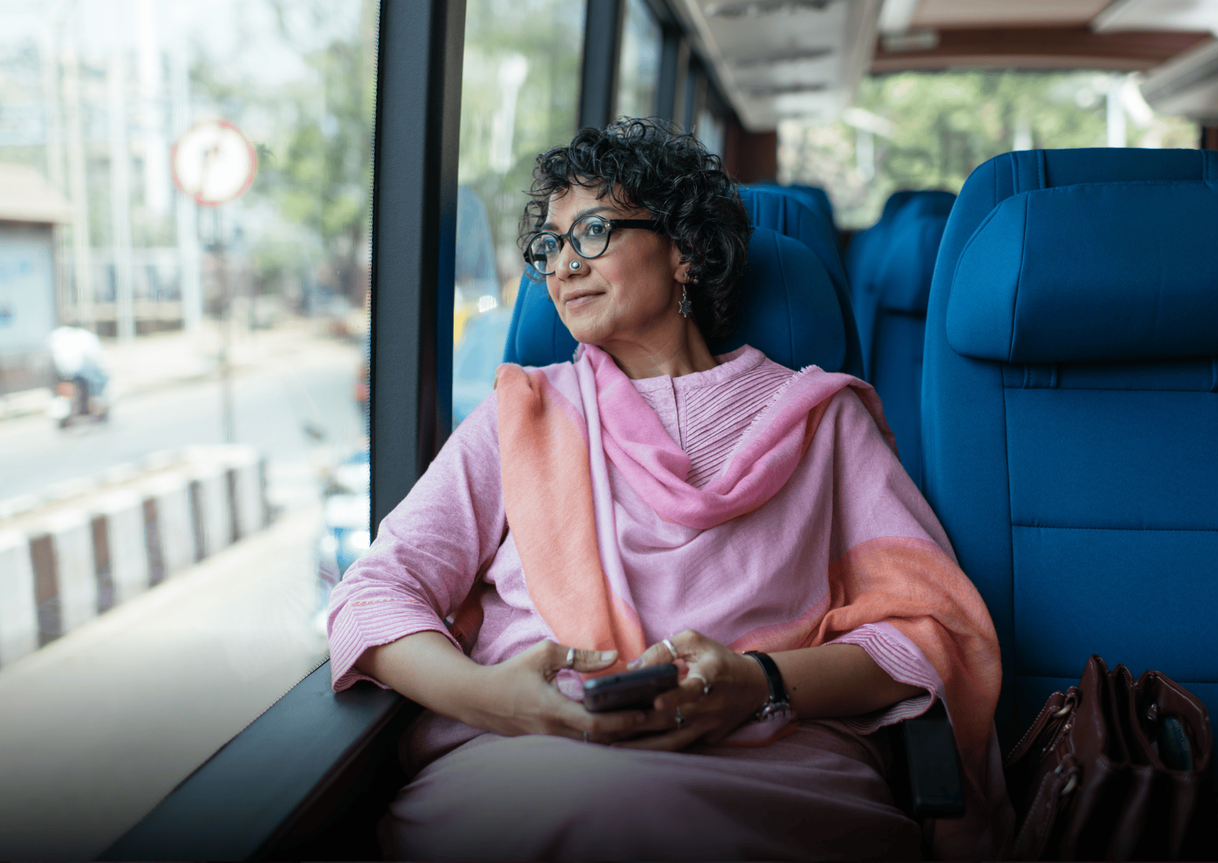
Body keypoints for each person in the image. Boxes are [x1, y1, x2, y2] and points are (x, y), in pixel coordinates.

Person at [326, 119, 1010, 861]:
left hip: (773, 766)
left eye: (590, 230)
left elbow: (927, 632)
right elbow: (373, 595)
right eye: (549, 246)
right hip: (527, 758)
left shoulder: (824, 420)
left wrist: (761, 681)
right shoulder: (520, 414)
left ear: (684, 250)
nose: (562, 267)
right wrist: (497, 699)